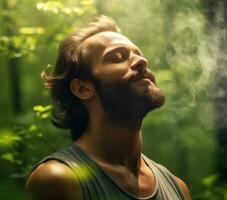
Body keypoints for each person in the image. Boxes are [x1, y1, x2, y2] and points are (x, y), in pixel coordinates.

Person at [25, 15, 191, 200]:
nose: (141, 61)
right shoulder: (57, 180)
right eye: (118, 57)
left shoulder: (178, 188)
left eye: (140, 55)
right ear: (83, 89)